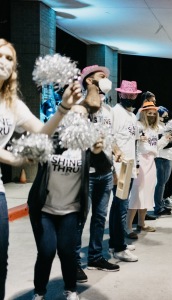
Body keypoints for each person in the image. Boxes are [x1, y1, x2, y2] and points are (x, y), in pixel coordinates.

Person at [0, 39, 82, 300]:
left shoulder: (13, 105)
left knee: (0, 261)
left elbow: (43, 132)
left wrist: (64, 108)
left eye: (9, 58)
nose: (3, 61)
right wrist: (12, 159)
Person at [75, 65, 119, 283]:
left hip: (106, 171)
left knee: (100, 217)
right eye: (102, 77)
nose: (107, 81)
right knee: (79, 218)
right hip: (86, 173)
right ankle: (72, 262)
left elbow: (110, 139)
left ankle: (95, 256)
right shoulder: (80, 107)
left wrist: (115, 162)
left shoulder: (108, 110)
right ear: (89, 81)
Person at [109, 80, 141, 261]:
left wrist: (135, 164)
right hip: (119, 167)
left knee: (119, 207)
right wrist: (114, 168)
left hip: (129, 166)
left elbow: (133, 141)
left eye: (132, 94)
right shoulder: (115, 113)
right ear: (120, 94)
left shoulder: (131, 115)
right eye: (126, 94)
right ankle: (119, 248)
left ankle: (117, 242)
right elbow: (109, 138)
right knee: (120, 207)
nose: (130, 97)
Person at [127, 101, 166, 236]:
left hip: (151, 161)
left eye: (153, 113)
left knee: (147, 193)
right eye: (149, 113)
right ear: (143, 113)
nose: (151, 115)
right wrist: (136, 165)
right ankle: (128, 227)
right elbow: (135, 147)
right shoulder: (138, 126)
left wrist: (165, 140)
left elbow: (155, 147)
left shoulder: (154, 129)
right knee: (137, 193)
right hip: (140, 161)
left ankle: (141, 223)